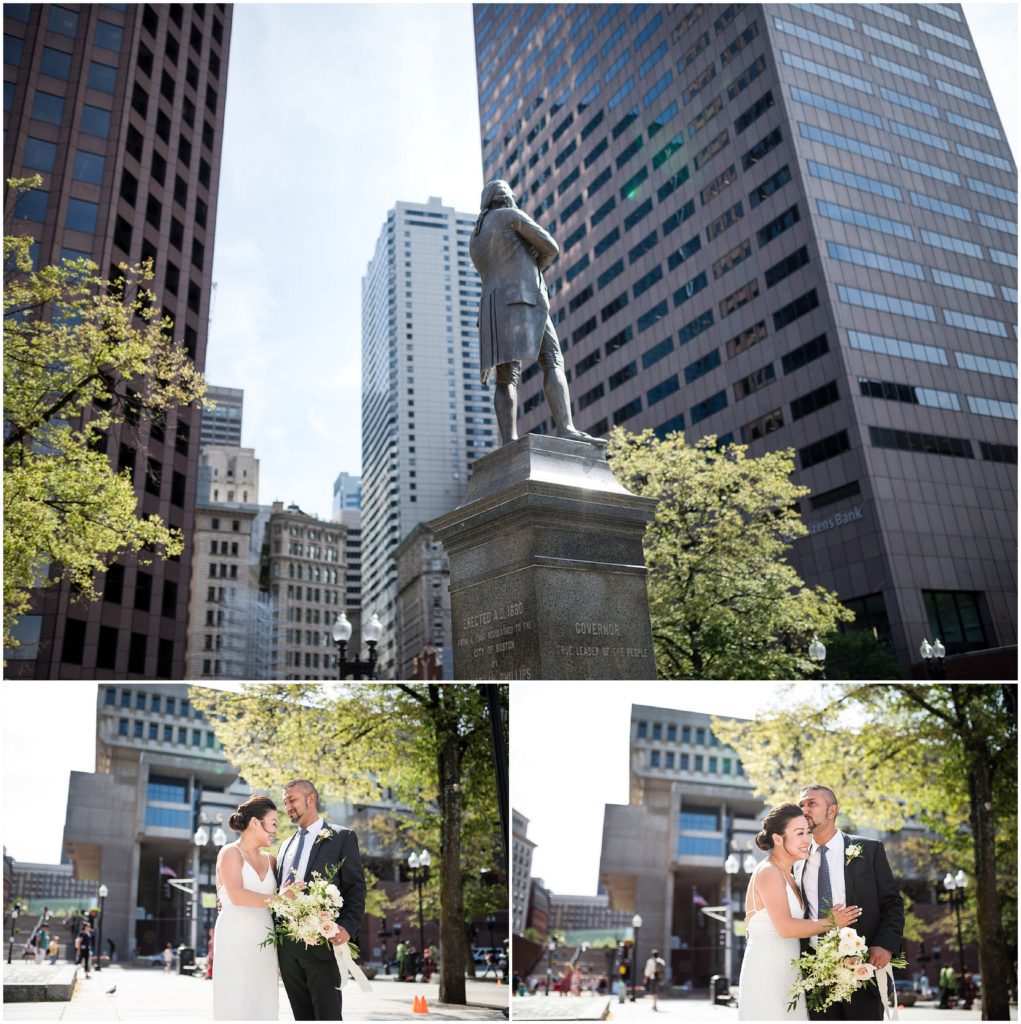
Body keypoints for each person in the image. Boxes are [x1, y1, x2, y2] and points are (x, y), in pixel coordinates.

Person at [469, 179, 606, 448]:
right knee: (553, 359)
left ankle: (509, 440)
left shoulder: (476, 237)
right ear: (507, 197)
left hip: (491, 309)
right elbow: (551, 247)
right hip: (524, 297)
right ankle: (566, 428)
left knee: (505, 376)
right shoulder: (511, 215)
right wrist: (533, 270)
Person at [737, 803, 862, 1021]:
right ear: (778, 839)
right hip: (767, 969)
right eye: (799, 833)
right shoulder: (769, 871)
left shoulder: (791, 873)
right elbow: (785, 927)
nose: (807, 839)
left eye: (807, 832)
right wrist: (832, 922)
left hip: (789, 968)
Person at [797, 785, 905, 1021]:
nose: (804, 810)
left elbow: (892, 904)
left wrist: (885, 944)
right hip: (815, 971)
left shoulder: (869, 849)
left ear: (832, 810)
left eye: (811, 804)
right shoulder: (797, 861)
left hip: (863, 967)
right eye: (801, 805)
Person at [275, 779, 366, 1021]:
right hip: (287, 947)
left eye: (292, 800)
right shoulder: (284, 846)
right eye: (285, 803)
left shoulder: (342, 837)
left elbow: (355, 887)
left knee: (327, 1016)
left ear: (311, 799)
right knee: (301, 1016)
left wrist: (348, 926)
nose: (288, 807)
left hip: (322, 944)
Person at [213, 795, 284, 1020]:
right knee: (236, 999)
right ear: (255, 822)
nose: (275, 830)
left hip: (264, 937)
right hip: (234, 937)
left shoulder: (272, 860)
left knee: (264, 999)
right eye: (272, 823)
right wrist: (281, 899)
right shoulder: (230, 853)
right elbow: (236, 896)